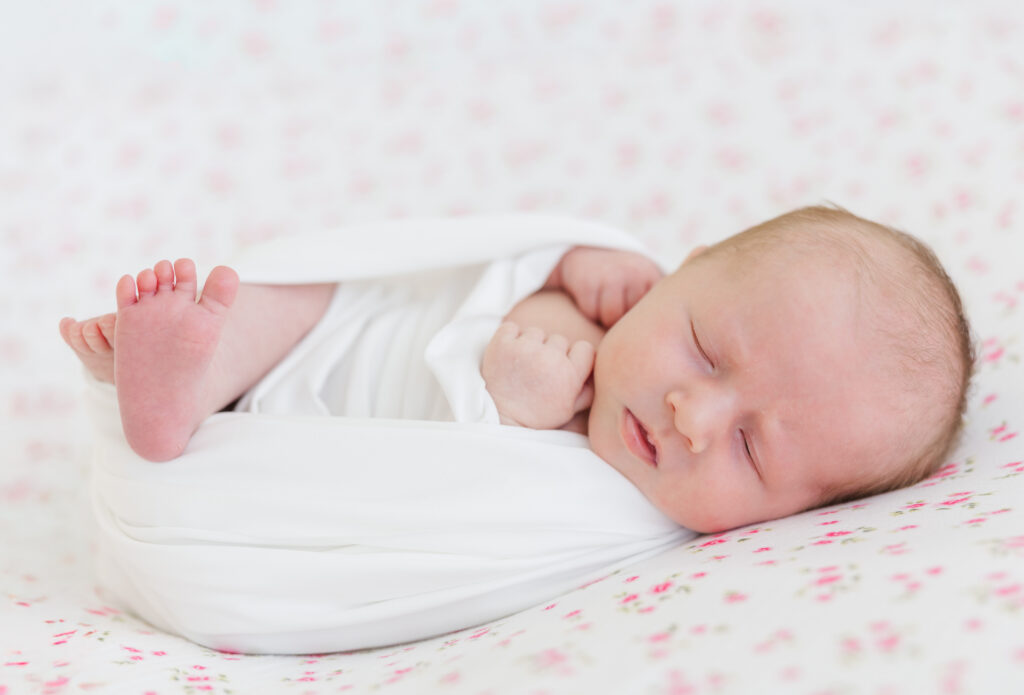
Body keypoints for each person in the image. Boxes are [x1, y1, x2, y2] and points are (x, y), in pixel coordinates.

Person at [59, 205, 974, 534]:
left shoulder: (605, 512)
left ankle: (188, 399)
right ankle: (193, 368)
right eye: (701, 346)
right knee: (302, 296)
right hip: (336, 339)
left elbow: (471, 518)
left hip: (319, 458)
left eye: (751, 448)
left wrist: (513, 411)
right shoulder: (615, 292)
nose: (693, 413)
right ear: (682, 269)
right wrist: (570, 261)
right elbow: (498, 255)